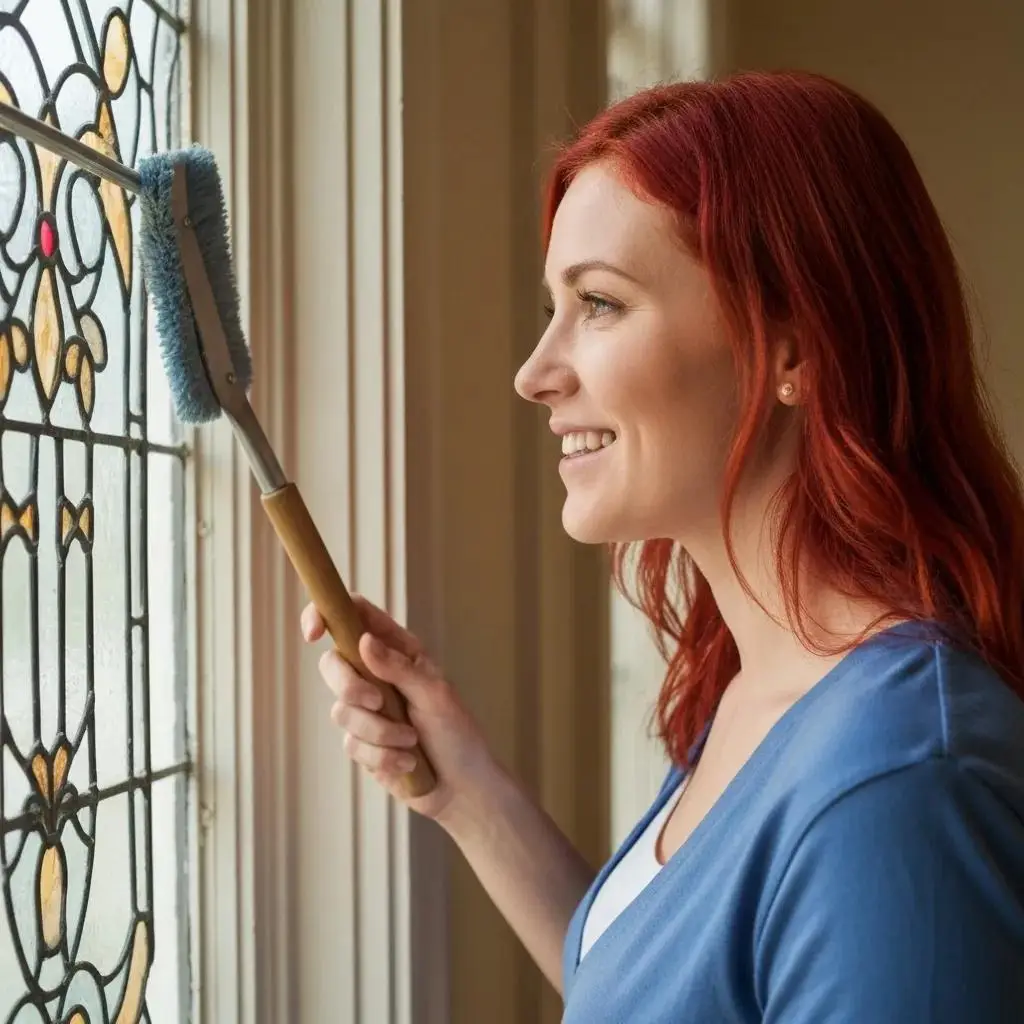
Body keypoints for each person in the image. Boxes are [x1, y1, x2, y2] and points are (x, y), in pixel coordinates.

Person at [301, 70, 1024, 1021]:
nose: (533, 373)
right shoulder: (774, 686)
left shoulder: (896, 790)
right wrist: (464, 790)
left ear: (795, 350)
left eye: (598, 303)